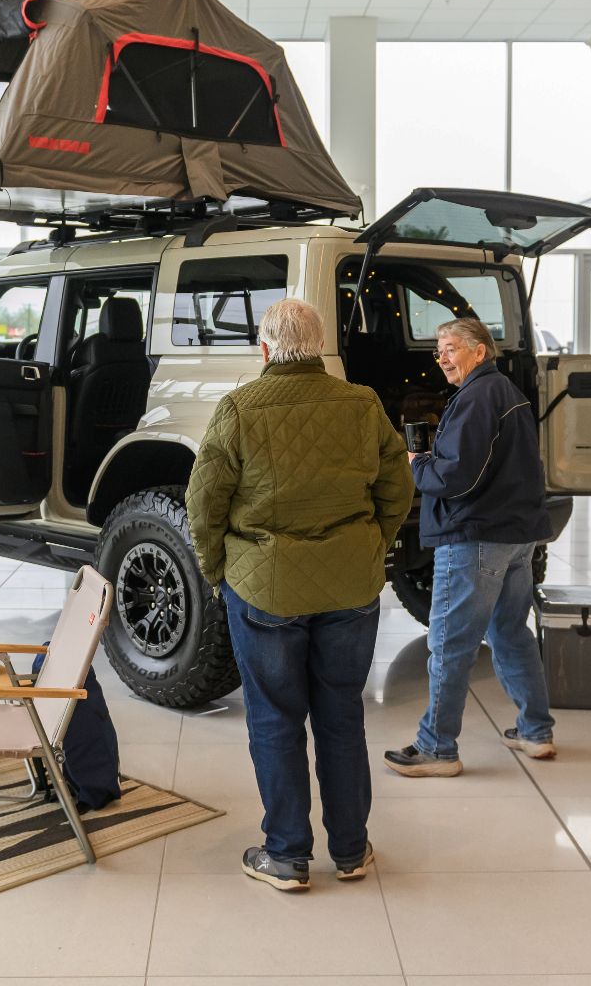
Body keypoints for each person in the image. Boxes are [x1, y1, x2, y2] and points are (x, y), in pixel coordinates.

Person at [186, 297, 413, 892]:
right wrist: (368, 545)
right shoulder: (362, 405)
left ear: (264, 349)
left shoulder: (238, 409)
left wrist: (219, 573)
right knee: (341, 716)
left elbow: (203, 505)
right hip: (350, 587)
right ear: (319, 348)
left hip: (265, 589)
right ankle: (351, 851)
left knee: (274, 718)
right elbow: (399, 487)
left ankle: (286, 855)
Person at [385, 317, 557, 778]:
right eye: (438, 350)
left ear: (479, 351)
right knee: (510, 632)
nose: (442, 357)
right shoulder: (505, 392)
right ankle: (536, 731)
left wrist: (418, 464)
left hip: (476, 536)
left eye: (450, 348)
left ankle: (437, 748)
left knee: (451, 643)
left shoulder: (477, 398)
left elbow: (456, 476)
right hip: (517, 534)